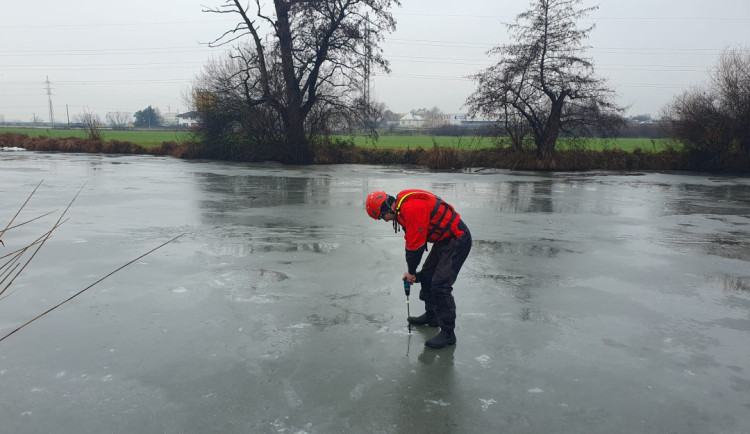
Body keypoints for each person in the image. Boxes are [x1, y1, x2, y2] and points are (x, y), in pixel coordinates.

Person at [365, 189, 472, 349]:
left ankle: (449, 334)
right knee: (428, 276)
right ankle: (431, 316)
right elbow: (412, 240)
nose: (385, 221)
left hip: (457, 240)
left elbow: (416, 247)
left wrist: (412, 272)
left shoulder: (411, 208)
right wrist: (413, 273)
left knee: (440, 285)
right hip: (443, 241)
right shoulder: (401, 208)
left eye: (382, 217)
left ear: (387, 207)